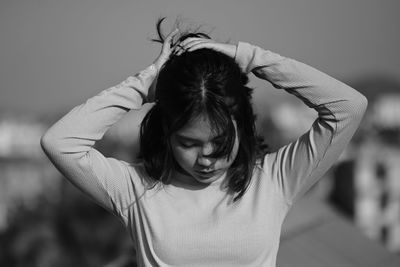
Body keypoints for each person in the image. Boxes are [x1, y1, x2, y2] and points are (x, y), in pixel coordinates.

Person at [40, 17, 368, 267]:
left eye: (221, 141)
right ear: (166, 133)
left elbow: (348, 107)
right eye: (189, 143)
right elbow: (59, 142)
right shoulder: (136, 190)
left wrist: (249, 57)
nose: (207, 157)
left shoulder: (274, 180)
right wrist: (146, 83)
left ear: (242, 126)